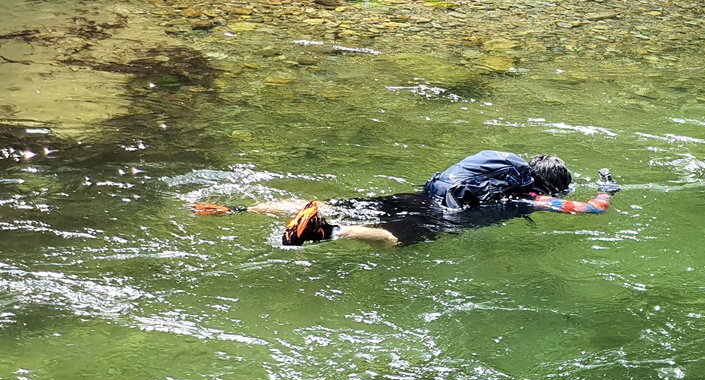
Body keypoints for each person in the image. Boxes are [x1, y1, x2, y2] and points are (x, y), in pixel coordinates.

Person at [194, 151, 621, 246]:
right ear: (550, 186)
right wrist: (607, 188)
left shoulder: (501, 173)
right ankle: (329, 233)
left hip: (424, 195)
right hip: (445, 216)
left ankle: (234, 209)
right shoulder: (533, 198)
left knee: (339, 201)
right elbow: (591, 209)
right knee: (395, 238)